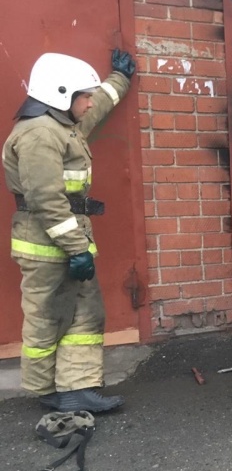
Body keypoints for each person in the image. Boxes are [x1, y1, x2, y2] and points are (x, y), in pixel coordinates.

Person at [3, 49, 137, 412]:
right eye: (83, 95)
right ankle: (48, 388)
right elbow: (46, 199)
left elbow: (96, 108)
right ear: (61, 94)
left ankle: (73, 388)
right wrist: (76, 249)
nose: (89, 101)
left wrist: (119, 79)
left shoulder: (62, 124)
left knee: (83, 313)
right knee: (48, 317)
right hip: (50, 245)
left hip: (63, 241)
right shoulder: (38, 135)